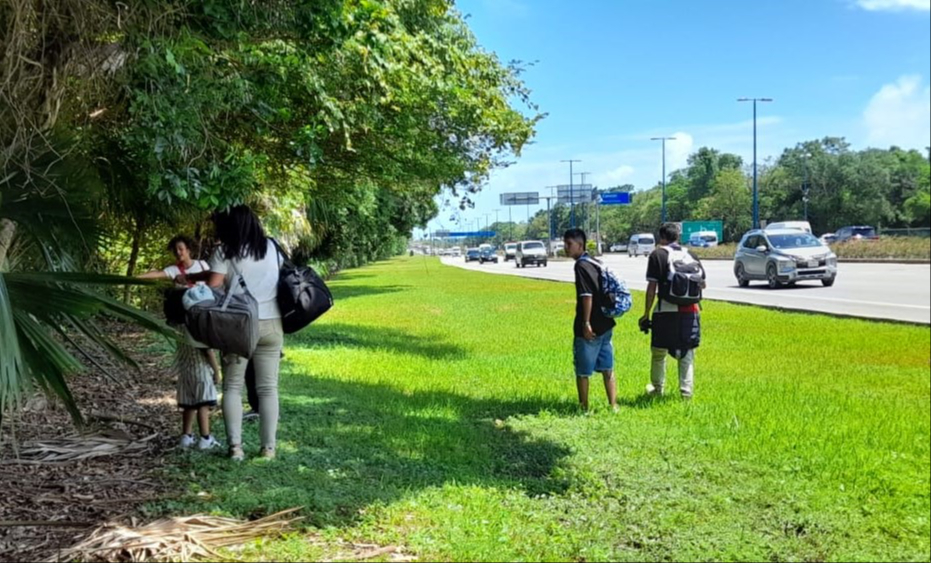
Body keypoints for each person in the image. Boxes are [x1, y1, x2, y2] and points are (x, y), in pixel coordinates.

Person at [181, 205, 284, 461]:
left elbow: (214, 288)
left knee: (233, 387)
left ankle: (236, 448)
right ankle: (268, 449)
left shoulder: (225, 251)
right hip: (272, 322)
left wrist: (195, 286)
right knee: (268, 388)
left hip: (238, 326)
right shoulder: (272, 246)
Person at [138, 235, 222, 450]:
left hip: (200, 318)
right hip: (190, 322)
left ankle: (187, 435)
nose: (179, 253)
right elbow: (157, 274)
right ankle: (204, 438)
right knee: (201, 389)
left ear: (189, 249)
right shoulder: (175, 271)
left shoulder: (203, 266)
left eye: (181, 249)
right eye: (176, 250)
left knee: (188, 385)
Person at [639, 222, 705, 399]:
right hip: (691, 311)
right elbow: (702, 284)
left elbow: (652, 287)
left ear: (662, 238)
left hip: (665, 310)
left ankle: (657, 389)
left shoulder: (658, 255)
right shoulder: (691, 254)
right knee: (687, 352)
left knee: (659, 352)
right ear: (677, 237)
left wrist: (646, 314)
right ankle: (686, 393)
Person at [563, 228, 618, 412]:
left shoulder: (580, 265)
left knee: (583, 371)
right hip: (606, 322)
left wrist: (585, 323)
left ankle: (584, 408)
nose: (566, 248)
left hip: (590, 326)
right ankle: (613, 405)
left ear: (580, 244)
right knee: (608, 368)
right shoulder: (596, 262)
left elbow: (586, 295)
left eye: (569, 244)